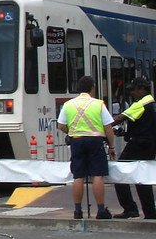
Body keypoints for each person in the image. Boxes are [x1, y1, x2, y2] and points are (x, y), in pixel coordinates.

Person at [56, 75, 117, 220]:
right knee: (97, 175)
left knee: (78, 176)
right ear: (92, 88)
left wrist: (72, 132)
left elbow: (61, 125)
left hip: (77, 141)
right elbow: (108, 128)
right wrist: (112, 146)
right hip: (95, 140)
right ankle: (101, 210)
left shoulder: (69, 104)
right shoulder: (98, 104)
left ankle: (78, 210)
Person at [109, 76, 156, 219]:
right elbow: (143, 126)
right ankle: (150, 212)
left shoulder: (141, 103)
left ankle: (130, 208)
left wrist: (102, 126)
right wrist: (124, 133)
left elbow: (118, 119)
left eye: (134, 90)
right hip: (149, 146)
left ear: (142, 89)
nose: (132, 93)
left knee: (119, 173)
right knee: (143, 179)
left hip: (137, 146)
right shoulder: (152, 104)